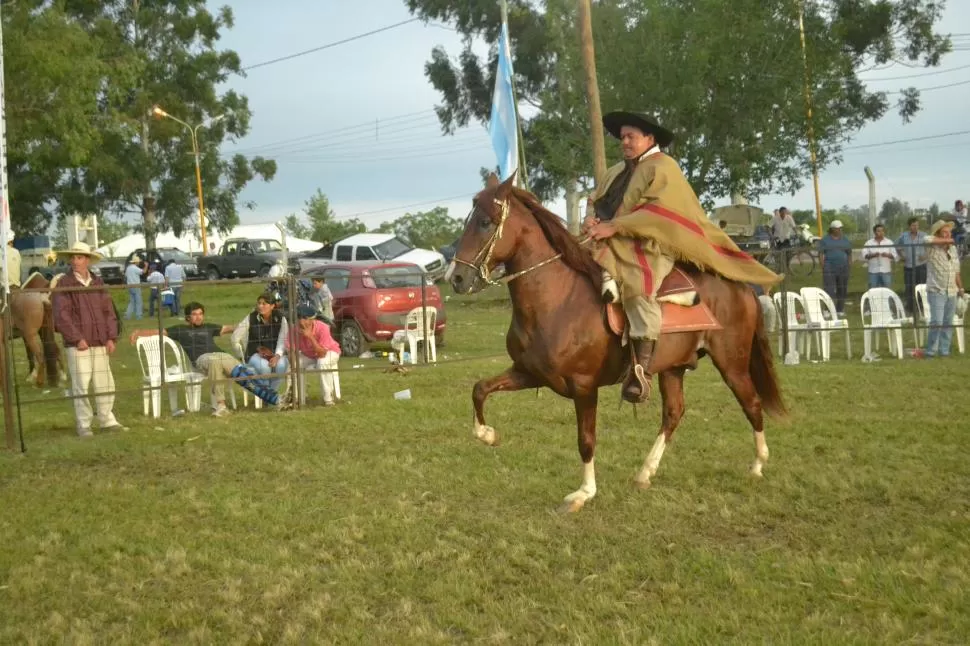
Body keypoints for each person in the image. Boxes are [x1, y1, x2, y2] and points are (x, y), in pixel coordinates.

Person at [583, 110, 780, 403]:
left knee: (638, 286)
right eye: (622, 137)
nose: (624, 142)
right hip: (611, 237)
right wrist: (591, 221)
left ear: (649, 138)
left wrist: (616, 226)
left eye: (630, 136)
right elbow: (594, 200)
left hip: (653, 244)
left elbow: (660, 212)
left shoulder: (664, 167)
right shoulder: (616, 170)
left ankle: (642, 370)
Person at [51, 241, 127, 437]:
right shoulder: (64, 284)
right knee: (81, 384)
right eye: (73, 258)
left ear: (87, 260)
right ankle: (84, 423)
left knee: (105, 381)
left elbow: (108, 311)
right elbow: (61, 315)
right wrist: (76, 338)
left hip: (100, 340)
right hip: (79, 345)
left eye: (79, 257)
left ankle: (106, 419)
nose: (75, 261)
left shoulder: (98, 283)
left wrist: (111, 337)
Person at [129, 301, 239, 417]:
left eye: (200, 314)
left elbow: (230, 328)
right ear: (187, 317)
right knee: (215, 362)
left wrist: (247, 323)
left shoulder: (209, 327)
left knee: (240, 369)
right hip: (203, 361)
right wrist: (139, 332)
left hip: (221, 356)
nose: (198, 317)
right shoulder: (181, 329)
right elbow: (159, 332)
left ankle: (258, 391)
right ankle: (221, 406)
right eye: (194, 314)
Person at [915, 220, 965, 358]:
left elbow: (956, 272)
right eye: (944, 232)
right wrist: (947, 240)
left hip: (952, 290)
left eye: (949, 232)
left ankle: (944, 351)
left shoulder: (953, 250)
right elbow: (926, 238)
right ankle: (930, 351)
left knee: (948, 322)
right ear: (938, 234)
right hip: (937, 290)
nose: (948, 234)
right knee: (937, 321)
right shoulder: (931, 248)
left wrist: (961, 289)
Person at [231, 292, 289, 393]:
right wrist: (240, 355)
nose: (260, 306)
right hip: (255, 353)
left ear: (272, 306)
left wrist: (277, 356)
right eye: (259, 303)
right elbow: (235, 337)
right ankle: (267, 395)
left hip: (275, 352)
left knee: (281, 365)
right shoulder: (251, 317)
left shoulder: (281, 318)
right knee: (265, 367)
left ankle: (270, 394)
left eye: (264, 304)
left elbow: (282, 339)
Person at [287, 304, 341, 406]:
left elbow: (322, 353)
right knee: (292, 365)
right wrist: (293, 362)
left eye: (305, 319)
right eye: (299, 318)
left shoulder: (322, 327)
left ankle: (328, 398)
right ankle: (295, 398)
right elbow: (291, 351)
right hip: (310, 355)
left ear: (312, 319)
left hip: (329, 352)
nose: (301, 322)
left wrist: (311, 337)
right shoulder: (293, 330)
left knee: (322, 362)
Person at [895, 217, 929, 315]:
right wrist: (901, 255)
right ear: (909, 226)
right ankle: (910, 308)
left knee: (921, 287)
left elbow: (931, 246)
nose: (915, 227)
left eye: (917, 225)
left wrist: (925, 255)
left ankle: (921, 307)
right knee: (909, 287)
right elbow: (896, 245)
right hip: (908, 266)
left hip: (921, 266)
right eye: (913, 225)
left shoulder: (924, 235)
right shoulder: (903, 236)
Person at [819, 220, 852, 315]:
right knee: (829, 289)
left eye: (841, 228)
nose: (840, 230)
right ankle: (827, 310)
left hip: (843, 267)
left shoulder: (845, 239)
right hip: (829, 267)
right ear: (833, 229)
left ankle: (840, 310)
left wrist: (849, 264)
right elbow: (821, 254)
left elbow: (849, 253)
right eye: (838, 228)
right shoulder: (825, 240)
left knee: (842, 289)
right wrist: (823, 266)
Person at [862, 224, 898, 289]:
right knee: (873, 291)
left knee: (887, 291)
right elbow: (864, 255)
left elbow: (894, 255)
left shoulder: (889, 242)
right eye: (878, 231)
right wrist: (873, 255)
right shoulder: (869, 243)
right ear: (874, 232)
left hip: (886, 271)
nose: (881, 233)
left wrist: (887, 255)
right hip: (873, 271)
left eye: (882, 231)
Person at [124, 255, 144, 320]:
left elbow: (126, 275)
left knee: (132, 302)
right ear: (136, 262)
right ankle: (139, 316)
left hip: (130, 286)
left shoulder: (128, 268)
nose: (139, 263)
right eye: (138, 262)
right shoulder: (135, 268)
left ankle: (127, 315)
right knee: (138, 302)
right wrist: (146, 266)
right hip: (136, 286)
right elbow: (143, 272)